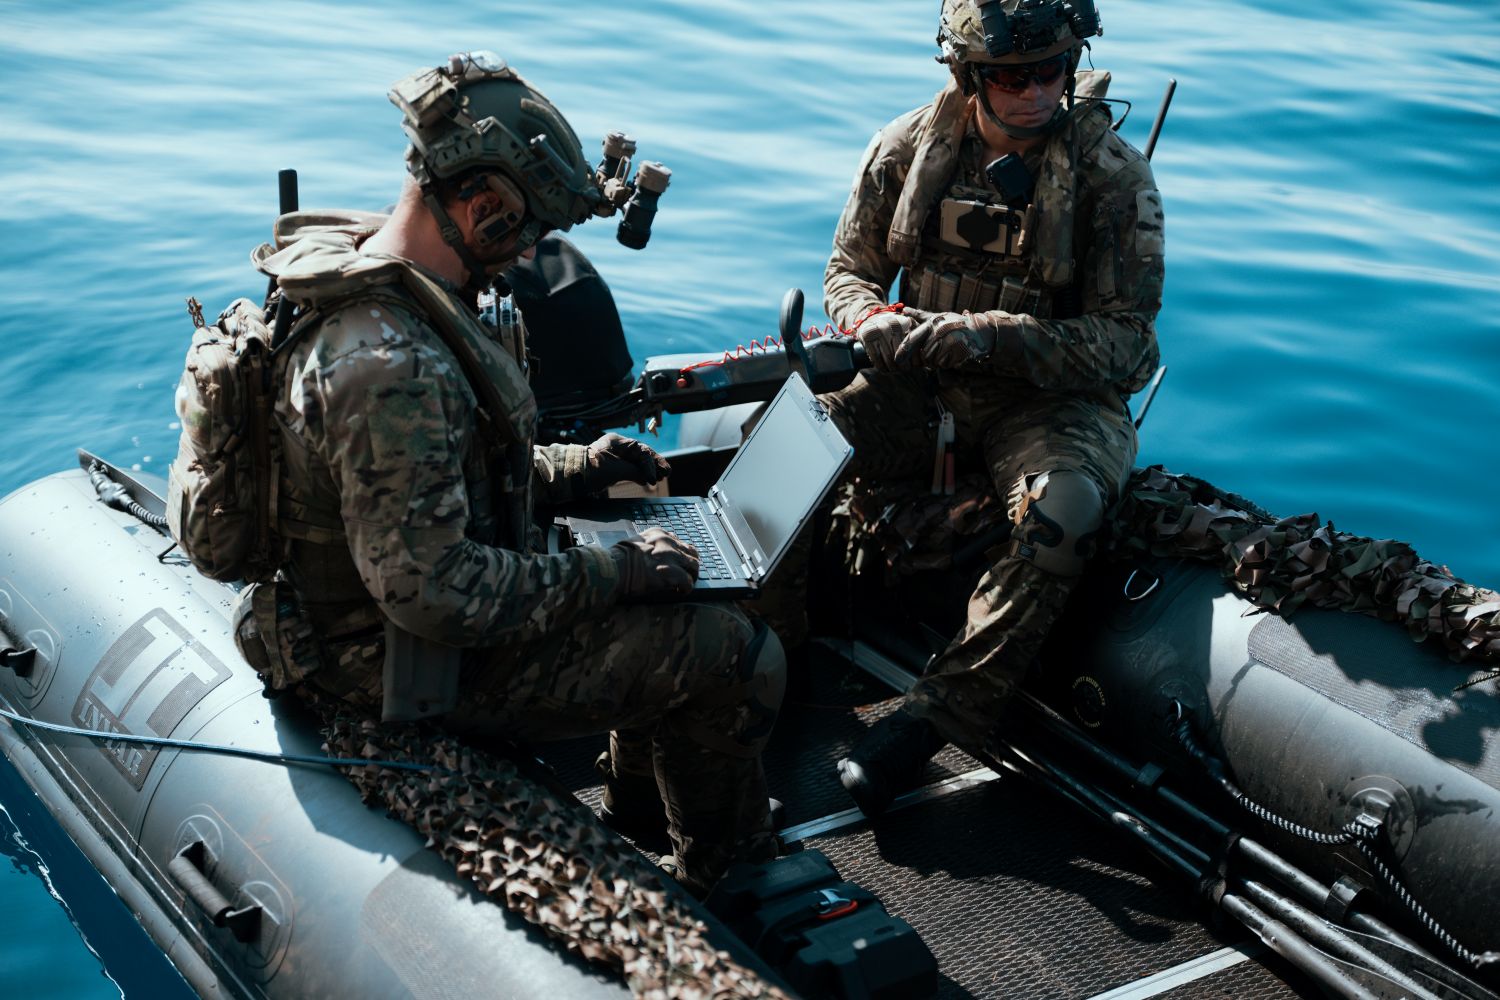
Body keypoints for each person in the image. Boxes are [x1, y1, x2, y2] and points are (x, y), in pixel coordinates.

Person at [225, 52, 784, 897]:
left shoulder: (379, 282)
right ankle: (732, 882)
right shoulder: (390, 363)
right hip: (384, 664)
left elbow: (440, 480)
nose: (526, 254)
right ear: (484, 204)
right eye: (526, 229)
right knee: (737, 655)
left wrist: (574, 467)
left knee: (661, 567)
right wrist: (615, 574)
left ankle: (638, 815)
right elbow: (436, 594)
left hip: (363, 615)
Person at [814, 0, 1165, 815]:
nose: (1035, 92)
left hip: (1047, 401)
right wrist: (869, 320)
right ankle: (772, 640)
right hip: (918, 384)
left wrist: (994, 339)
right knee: (803, 443)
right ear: (969, 75)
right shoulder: (904, 149)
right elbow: (846, 270)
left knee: (1067, 510)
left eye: (1052, 72)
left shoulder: (1113, 180)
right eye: (1011, 76)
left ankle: (941, 714)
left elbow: (1126, 344)